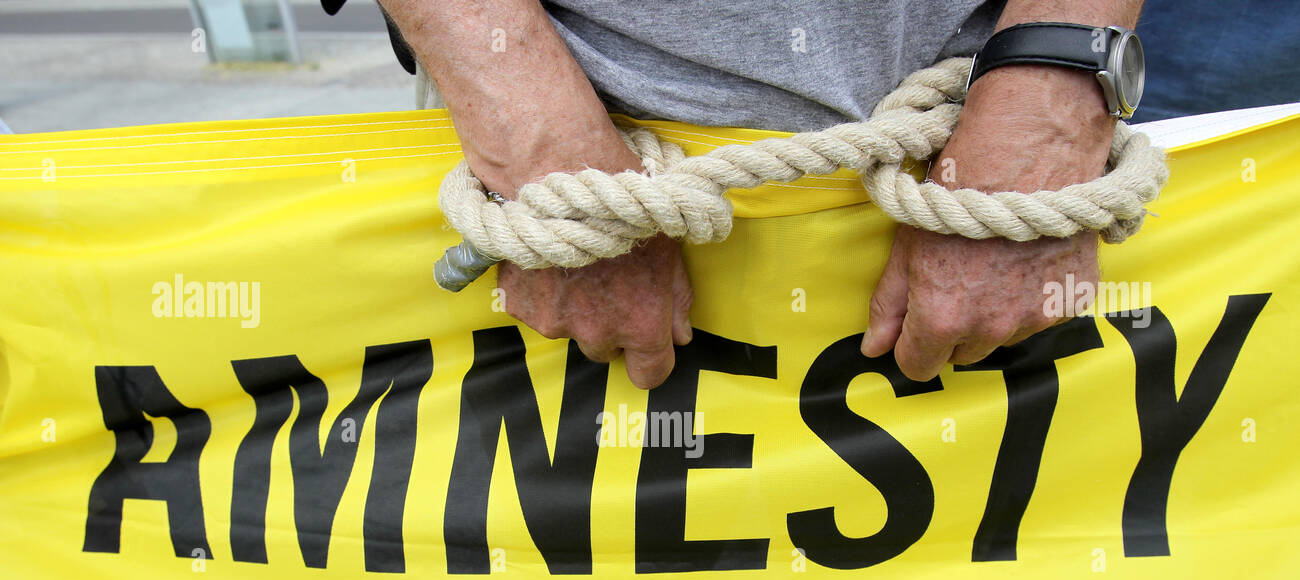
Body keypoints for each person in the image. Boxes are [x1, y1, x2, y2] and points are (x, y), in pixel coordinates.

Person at [371, 0, 1145, 388]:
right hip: (552, 189)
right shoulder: (564, 201)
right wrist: (547, 160)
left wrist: (1042, 111)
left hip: (991, 166)